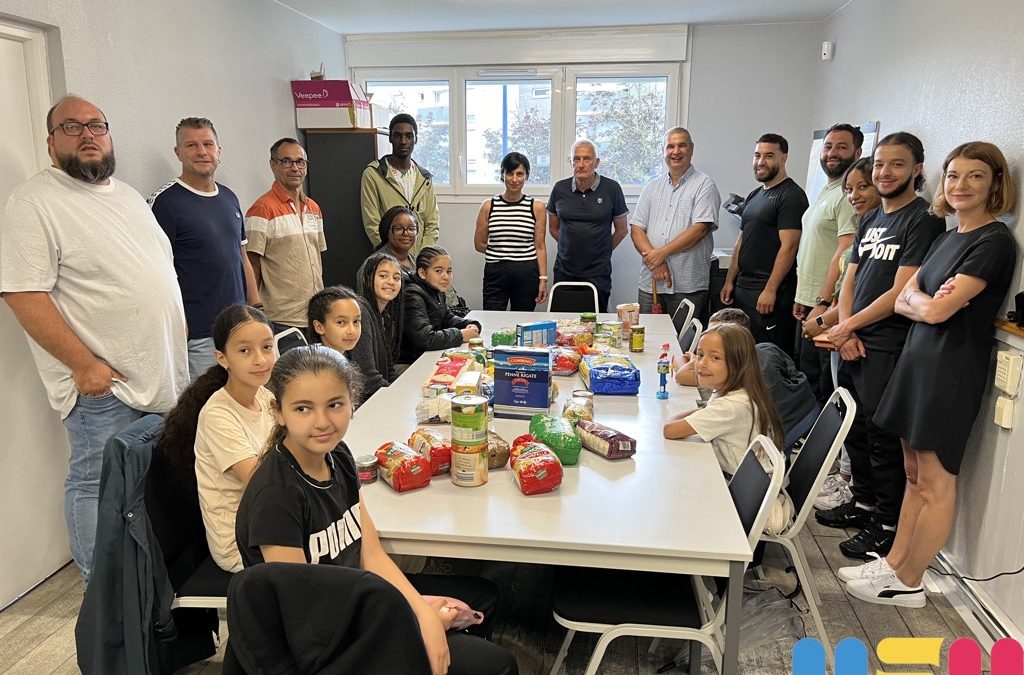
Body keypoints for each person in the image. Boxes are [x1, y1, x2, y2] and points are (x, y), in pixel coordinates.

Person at [235, 346, 519, 675]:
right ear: (279, 412)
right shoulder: (277, 497)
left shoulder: (338, 456)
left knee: (479, 599)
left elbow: (370, 552)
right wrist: (408, 621)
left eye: (335, 405)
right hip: (319, 645)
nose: (322, 422)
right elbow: (305, 613)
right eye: (303, 409)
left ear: (352, 401)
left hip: (354, 602)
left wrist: (422, 612)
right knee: (497, 665)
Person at [0, 95, 189, 582]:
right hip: (107, 389)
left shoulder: (125, 195)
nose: (87, 134)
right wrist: (86, 366)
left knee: (149, 492)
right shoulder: (34, 202)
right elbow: (22, 292)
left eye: (96, 125)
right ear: (50, 142)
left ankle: (144, 591)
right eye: (71, 127)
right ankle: (101, 593)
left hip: (159, 377)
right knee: (96, 486)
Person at [845, 142, 1018, 608]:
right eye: (954, 176)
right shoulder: (948, 237)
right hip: (917, 360)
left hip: (951, 370)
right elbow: (907, 297)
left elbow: (936, 309)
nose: (961, 186)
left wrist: (923, 303)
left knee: (937, 480)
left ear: (996, 184)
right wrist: (922, 303)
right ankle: (896, 561)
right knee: (913, 473)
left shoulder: (993, 241)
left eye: (975, 176)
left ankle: (912, 581)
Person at [815, 132, 945, 561]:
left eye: (897, 165)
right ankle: (864, 502)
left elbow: (902, 289)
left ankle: (886, 524)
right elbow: (851, 277)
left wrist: (848, 327)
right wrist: (846, 329)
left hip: (887, 345)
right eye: (880, 165)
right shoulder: (872, 219)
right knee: (854, 428)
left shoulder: (923, 220)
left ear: (917, 169)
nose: (885, 173)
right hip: (854, 338)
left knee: (881, 438)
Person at [159, 305, 276, 572]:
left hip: (269, 519)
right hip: (241, 541)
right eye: (245, 351)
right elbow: (263, 482)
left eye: (267, 347)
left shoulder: (263, 396)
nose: (260, 359)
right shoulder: (218, 415)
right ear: (222, 358)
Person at [149, 117, 260, 381]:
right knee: (205, 409)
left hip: (239, 327)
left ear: (218, 151)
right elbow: (157, 271)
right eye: (191, 145)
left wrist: (257, 309)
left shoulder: (229, 198)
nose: (201, 152)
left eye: (208, 144)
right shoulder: (164, 203)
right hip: (199, 336)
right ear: (177, 152)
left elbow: (241, 256)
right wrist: (178, 326)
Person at [803, 157, 882, 511]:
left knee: (857, 416)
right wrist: (827, 314)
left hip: (858, 336)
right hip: (841, 327)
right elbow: (846, 281)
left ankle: (853, 486)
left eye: (863, 187)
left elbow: (873, 292)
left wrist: (835, 324)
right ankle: (850, 481)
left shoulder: (899, 225)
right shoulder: (868, 224)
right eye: (849, 188)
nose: (854, 194)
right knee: (843, 404)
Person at [674, 308, 818, 451]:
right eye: (701, 353)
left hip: (740, 466)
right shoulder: (759, 355)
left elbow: (681, 377)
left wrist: (693, 360)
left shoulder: (733, 395)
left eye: (715, 355)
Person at [720, 133, 808, 358]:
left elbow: (789, 247)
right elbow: (742, 240)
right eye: (757, 155)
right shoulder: (755, 194)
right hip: (744, 289)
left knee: (767, 358)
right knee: (743, 355)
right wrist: (730, 280)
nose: (761, 162)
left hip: (769, 294)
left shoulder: (791, 196)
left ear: (783, 159)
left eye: (769, 156)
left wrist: (770, 290)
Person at [793, 124, 862, 402]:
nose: (832, 153)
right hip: (811, 299)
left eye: (842, 147)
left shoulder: (848, 198)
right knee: (807, 376)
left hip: (829, 305)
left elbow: (844, 252)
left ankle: (821, 445)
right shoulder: (828, 190)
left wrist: (822, 303)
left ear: (858, 152)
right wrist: (804, 295)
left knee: (823, 384)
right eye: (828, 146)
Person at [663, 323, 784, 475]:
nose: (702, 364)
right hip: (741, 479)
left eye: (715, 357)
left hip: (737, 491)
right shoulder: (737, 391)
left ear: (738, 363)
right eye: (700, 355)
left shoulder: (730, 406)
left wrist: (699, 414)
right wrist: (703, 412)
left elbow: (669, 429)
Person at [631, 127, 721, 330]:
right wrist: (656, 262)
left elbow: (700, 229)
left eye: (682, 145)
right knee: (647, 340)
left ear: (691, 149)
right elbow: (636, 229)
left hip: (687, 285)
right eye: (670, 146)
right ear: (664, 151)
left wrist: (661, 254)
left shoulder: (704, 185)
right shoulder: (652, 187)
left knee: (681, 348)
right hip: (650, 282)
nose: (676, 151)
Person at [245, 138, 325, 347]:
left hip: (316, 316)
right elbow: (251, 265)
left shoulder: (314, 208)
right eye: (286, 161)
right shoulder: (261, 210)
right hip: (283, 321)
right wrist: (255, 313)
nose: (295, 168)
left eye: (300, 162)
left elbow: (316, 258)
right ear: (273, 165)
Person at [547, 139, 629, 312]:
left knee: (595, 323)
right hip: (565, 270)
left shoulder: (612, 188)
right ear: (571, 162)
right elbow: (553, 227)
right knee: (563, 324)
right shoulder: (559, 188)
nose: (581, 164)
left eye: (587, 159)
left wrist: (603, 250)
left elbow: (622, 230)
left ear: (596, 162)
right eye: (576, 159)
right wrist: (568, 246)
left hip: (598, 272)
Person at [474, 152, 549, 311]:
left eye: (520, 174)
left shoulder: (536, 207)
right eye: (510, 173)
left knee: (523, 321)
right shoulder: (489, 206)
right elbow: (479, 243)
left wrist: (543, 279)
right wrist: (502, 252)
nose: (514, 179)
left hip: (527, 272)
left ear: (526, 176)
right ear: (502, 175)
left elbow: (540, 246)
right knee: (492, 319)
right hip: (496, 272)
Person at [361, 114, 440, 255]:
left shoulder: (424, 178)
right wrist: (392, 254)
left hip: (419, 260)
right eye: (398, 136)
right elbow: (372, 223)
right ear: (390, 138)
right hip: (388, 258)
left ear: (416, 139)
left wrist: (422, 257)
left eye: (409, 136)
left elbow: (432, 223)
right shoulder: (373, 174)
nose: (403, 141)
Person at [309, 284, 389, 407]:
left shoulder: (342, 360)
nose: (352, 330)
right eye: (341, 322)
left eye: (356, 321)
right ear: (319, 327)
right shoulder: (317, 372)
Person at [401, 246, 481, 364]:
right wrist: (460, 335)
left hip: (428, 356)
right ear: (422, 273)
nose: (446, 276)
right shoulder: (412, 295)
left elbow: (447, 318)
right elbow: (425, 339)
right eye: (439, 271)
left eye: (449, 271)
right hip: (411, 362)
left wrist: (470, 324)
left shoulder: (436, 290)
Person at [356, 206, 419, 289]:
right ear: (386, 232)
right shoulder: (372, 265)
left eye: (411, 229)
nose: (406, 233)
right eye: (398, 228)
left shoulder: (416, 262)